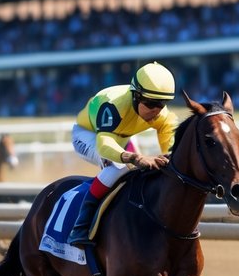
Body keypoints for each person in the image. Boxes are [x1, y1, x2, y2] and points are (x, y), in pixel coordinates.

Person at [66, 62, 180, 247]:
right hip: (89, 135)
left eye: (162, 103)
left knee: (143, 171)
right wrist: (135, 157)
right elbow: (104, 145)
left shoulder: (161, 114)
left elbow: (171, 149)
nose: (156, 110)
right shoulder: (114, 105)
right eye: (151, 103)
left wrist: (169, 157)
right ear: (136, 96)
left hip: (121, 136)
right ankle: (81, 224)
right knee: (117, 167)